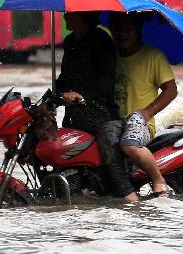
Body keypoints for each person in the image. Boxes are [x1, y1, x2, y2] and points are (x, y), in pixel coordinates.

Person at [54, 11, 135, 201]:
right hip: (75, 117)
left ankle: (132, 201)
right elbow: (65, 78)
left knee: (112, 163)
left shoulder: (102, 42)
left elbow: (106, 83)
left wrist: (80, 95)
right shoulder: (70, 42)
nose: (65, 16)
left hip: (102, 118)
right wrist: (51, 97)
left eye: (70, 13)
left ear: (83, 17)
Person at [109, 12, 178, 197]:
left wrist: (146, 113)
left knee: (129, 145)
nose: (121, 33)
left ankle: (158, 180)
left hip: (141, 123)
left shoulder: (153, 56)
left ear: (137, 30)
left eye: (127, 29)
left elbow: (171, 90)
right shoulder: (109, 56)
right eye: (116, 28)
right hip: (113, 120)